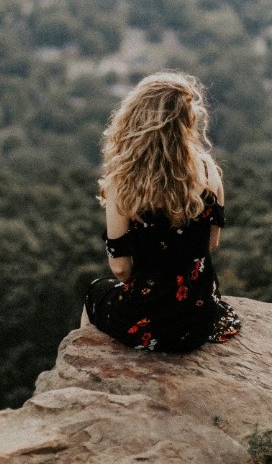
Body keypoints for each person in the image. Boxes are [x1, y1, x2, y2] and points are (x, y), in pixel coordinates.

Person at [81, 71, 242, 353]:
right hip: (198, 320)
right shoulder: (208, 170)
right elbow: (211, 244)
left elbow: (120, 269)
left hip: (149, 320)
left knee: (93, 293)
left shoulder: (125, 181)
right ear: (187, 122)